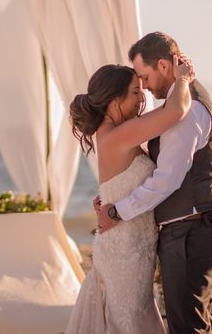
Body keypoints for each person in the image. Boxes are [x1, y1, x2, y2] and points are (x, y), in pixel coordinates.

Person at [96, 32, 212, 334]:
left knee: (188, 326)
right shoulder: (178, 104)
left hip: (193, 228)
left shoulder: (187, 109)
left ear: (162, 65)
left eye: (144, 77)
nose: (143, 87)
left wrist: (118, 211)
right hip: (192, 227)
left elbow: (166, 180)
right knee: (196, 323)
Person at [66, 53, 194, 333]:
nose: (142, 99)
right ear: (114, 101)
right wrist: (184, 77)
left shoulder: (116, 131)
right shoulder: (118, 134)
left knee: (132, 317)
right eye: (135, 92)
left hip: (130, 245)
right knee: (132, 320)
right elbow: (175, 112)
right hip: (126, 250)